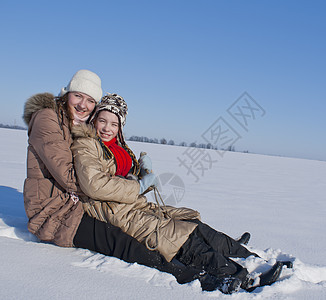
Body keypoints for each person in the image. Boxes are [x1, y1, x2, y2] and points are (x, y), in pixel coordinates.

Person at [22, 70, 224, 291]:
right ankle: (187, 276)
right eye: (78, 96)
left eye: (90, 100)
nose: (83, 104)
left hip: (75, 202)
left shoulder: (73, 122)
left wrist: (125, 176)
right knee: (120, 241)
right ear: (67, 93)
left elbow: (93, 173)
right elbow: (75, 178)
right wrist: (121, 184)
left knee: (149, 222)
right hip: (53, 210)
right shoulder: (47, 119)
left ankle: (216, 253)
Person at [71, 93, 290, 293]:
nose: (107, 128)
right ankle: (241, 276)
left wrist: (142, 171)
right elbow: (95, 185)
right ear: (94, 120)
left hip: (134, 205)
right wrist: (137, 186)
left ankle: (253, 259)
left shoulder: (118, 148)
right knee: (175, 235)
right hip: (115, 211)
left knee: (190, 221)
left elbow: (128, 180)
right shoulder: (87, 145)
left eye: (114, 123)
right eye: (103, 121)